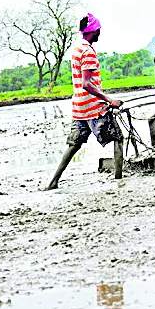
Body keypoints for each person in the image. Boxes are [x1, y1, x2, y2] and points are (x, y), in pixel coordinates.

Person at [47, 13, 124, 190]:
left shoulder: (77, 49)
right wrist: (110, 100)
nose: (99, 33)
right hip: (94, 108)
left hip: (79, 108)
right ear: (92, 31)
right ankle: (119, 180)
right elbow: (87, 84)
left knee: (73, 145)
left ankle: (53, 182)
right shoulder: (88, 52)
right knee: (119, 137)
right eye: (98, 30)